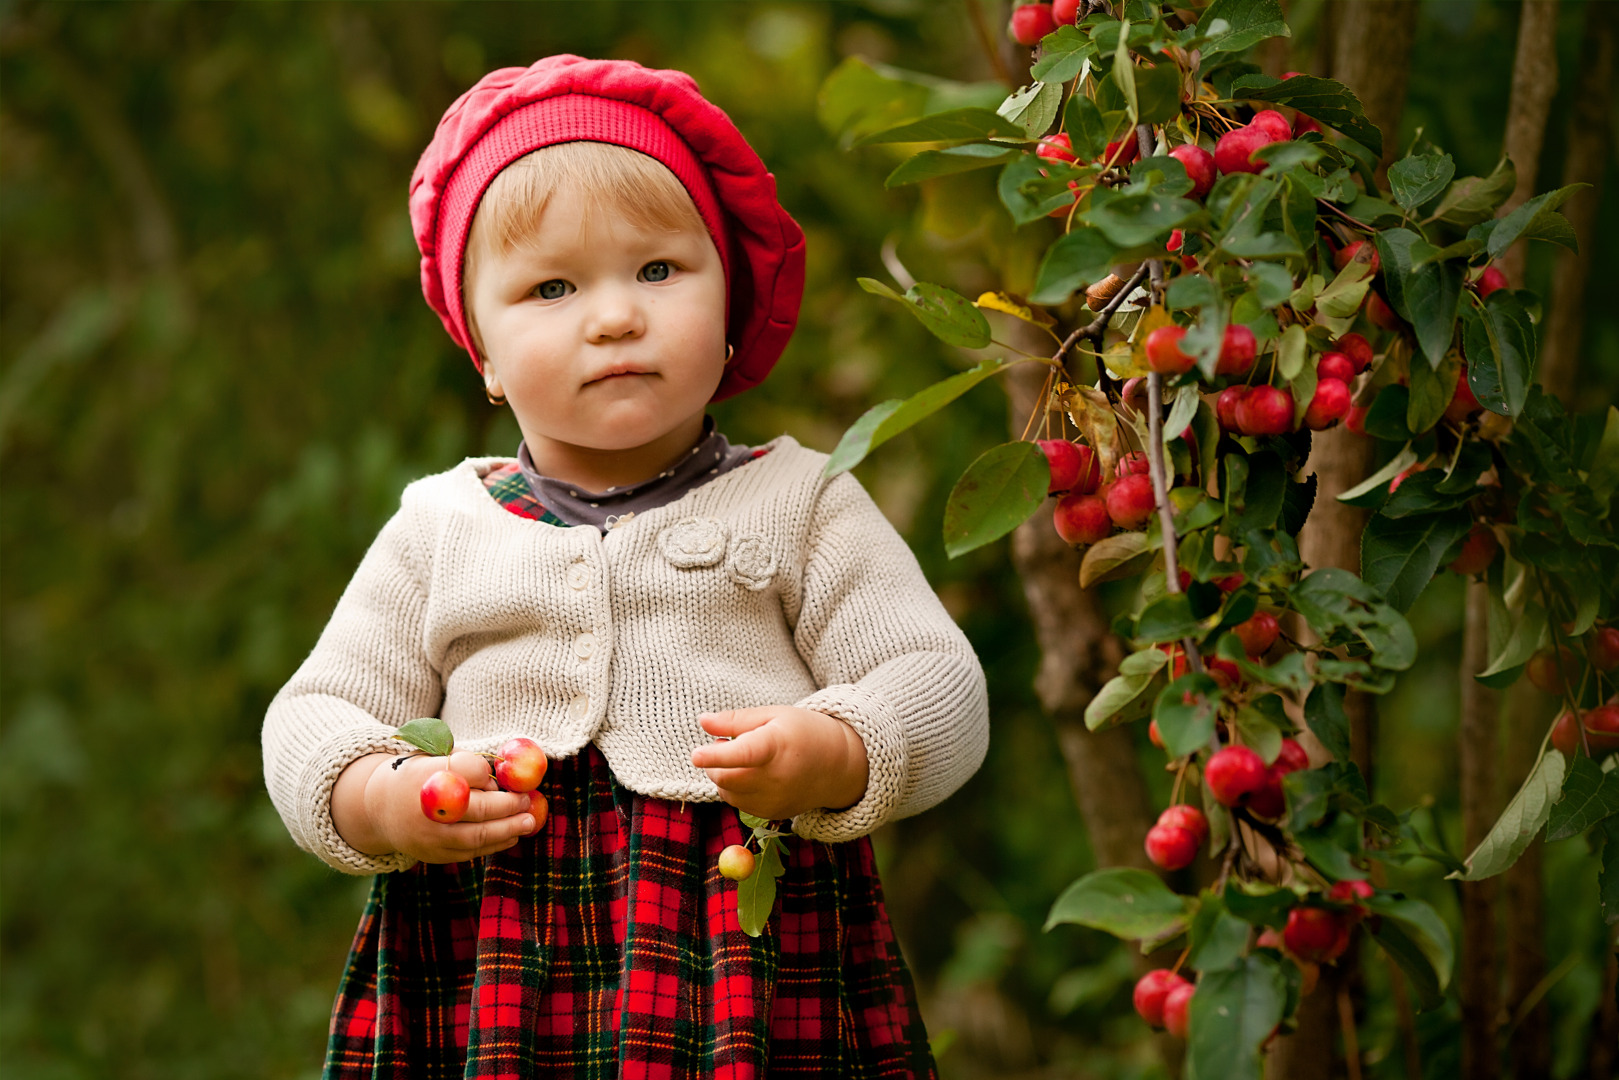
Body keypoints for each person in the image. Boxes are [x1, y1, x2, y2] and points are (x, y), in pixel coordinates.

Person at [262, 53, 989, 1079]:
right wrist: (382, 796)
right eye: (551, 287)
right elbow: (312, 713)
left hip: (739, 956)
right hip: (488, 962)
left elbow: (940, 682)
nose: (613, 316)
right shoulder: (440, 526)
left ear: (730, 300)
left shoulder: (800, 500)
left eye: (657, 270)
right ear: (483, 352)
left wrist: (838, 748)